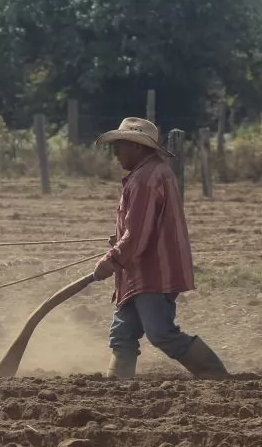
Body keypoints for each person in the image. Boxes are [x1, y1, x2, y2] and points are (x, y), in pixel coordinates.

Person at [93, 118, 226, 379]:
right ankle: (116, 389)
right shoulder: (153, 172)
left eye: (121, 145)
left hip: (153, 272)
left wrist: (112, 259)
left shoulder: (145, 178)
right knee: (123, 334)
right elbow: (142, 227)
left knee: (160, 333)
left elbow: (138, 234)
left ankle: (216, 376)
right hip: (140, 270)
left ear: (138, 147)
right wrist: (119, 240)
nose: (116, 152)